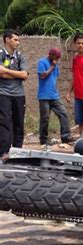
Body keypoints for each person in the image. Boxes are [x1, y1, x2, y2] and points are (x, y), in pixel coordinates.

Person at [0, 29, 28, 162]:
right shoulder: (0, 54)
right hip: (3, 93)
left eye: (18, 40)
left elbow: (24, 75)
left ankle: (18, 151)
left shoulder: (20, 56)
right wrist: (16, 73)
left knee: (19, 123)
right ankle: (4, 152)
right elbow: (0, 74)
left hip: (19, 94)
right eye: (15, 39)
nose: (18, 42)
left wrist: (6, 71)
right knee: (5, 122)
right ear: (7, 39)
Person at [37, 47, 71, 145]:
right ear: (50, 54)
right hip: (44, 96)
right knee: (45, 118)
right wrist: (51, 67)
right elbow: (42, 76)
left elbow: (54, 79)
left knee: (63, 113)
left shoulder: (55, 64)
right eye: (56, 57)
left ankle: (65, 137)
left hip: (54, 96)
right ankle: (43, 140)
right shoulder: (42, 62)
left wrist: (56, 91)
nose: (57, 60)